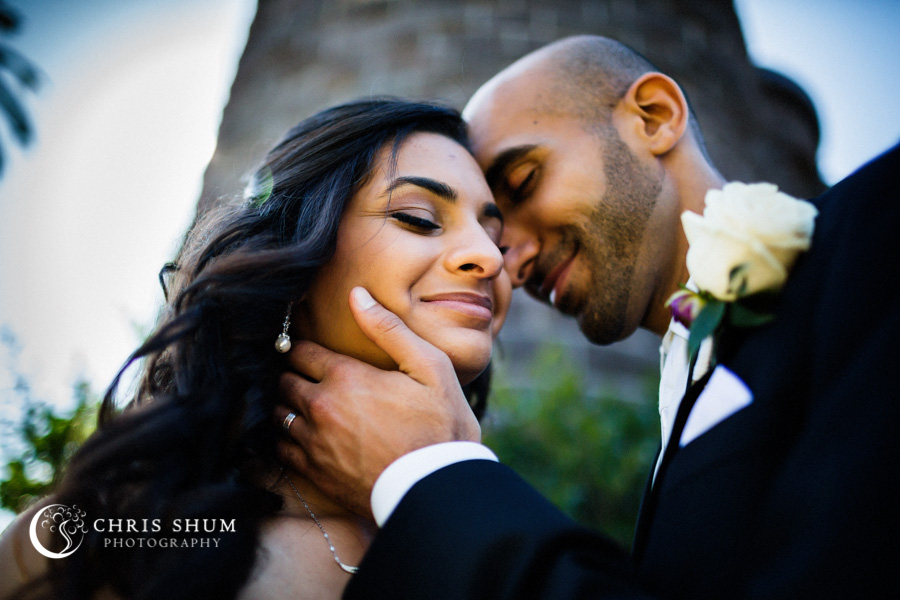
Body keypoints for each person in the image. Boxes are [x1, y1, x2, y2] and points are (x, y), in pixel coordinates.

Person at [276, 36, 900, 599]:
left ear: (653, 117)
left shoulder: (882, 228)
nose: (502, 262)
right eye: (423, 220)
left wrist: (426, 474)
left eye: (522, 183)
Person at [0, 98, 511, 599]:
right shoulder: (87, 544)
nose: (489, 258)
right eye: (419, 218)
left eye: (498, 239)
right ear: (295, 258)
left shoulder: (517, 546)